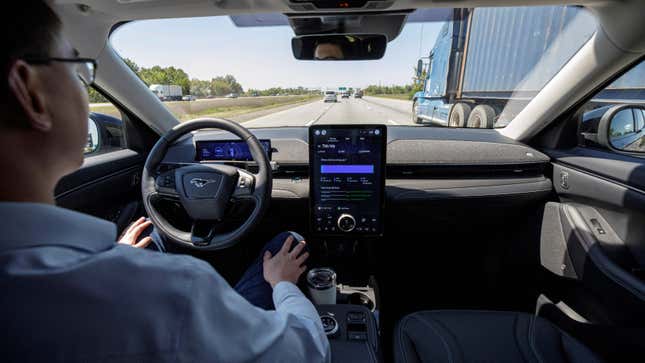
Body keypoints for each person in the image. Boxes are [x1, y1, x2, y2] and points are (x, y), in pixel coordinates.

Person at [0, 1, 330, 362]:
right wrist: (282, 285)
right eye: (78, 70)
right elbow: (307, 351)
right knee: (287, 242)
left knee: (156, 236)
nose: (84, 87)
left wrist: (117, 257)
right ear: (29, 91)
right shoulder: (173, 294)